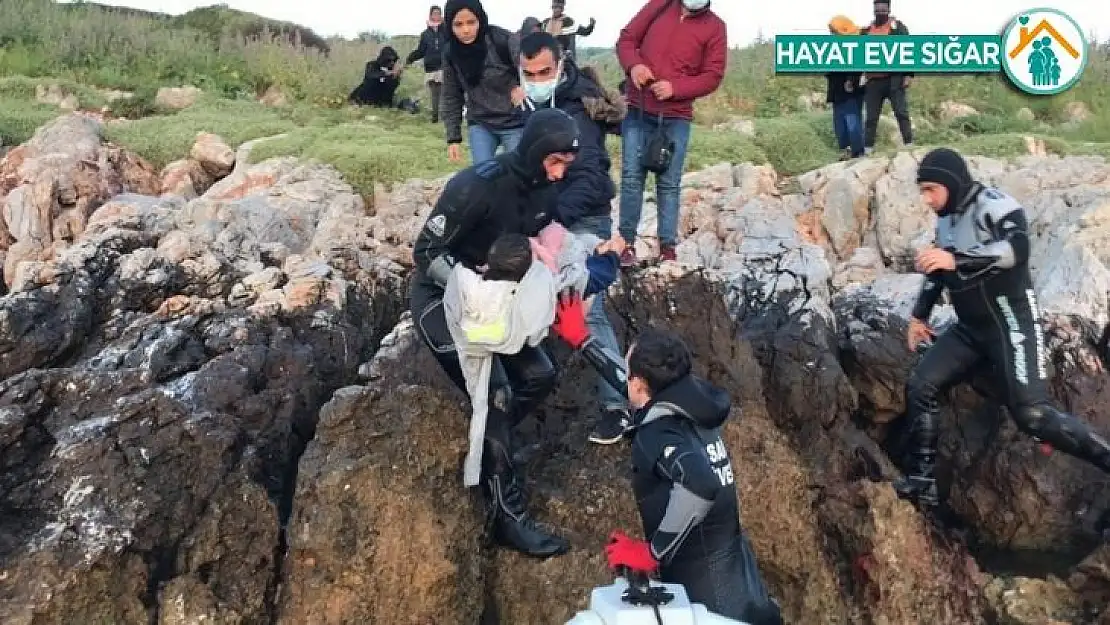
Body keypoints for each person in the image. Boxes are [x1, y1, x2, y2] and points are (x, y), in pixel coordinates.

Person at [410, 108, 582, 558]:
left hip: (498, 299)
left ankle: (490, 450)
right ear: (536, 153)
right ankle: (507, 516)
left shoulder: (545, 187)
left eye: (566, 163)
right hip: (443, 297)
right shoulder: (477, 185)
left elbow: (543, 232)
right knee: (498, 395)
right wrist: (474, 287)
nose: (561, 173)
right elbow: (424, 251)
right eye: (555, 162)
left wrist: (564, 262)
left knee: (541, 377)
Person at [897, 147, 1110, 507]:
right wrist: (919, 316)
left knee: (1033, 415)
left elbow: (1018, 250)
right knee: (921, 386)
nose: (927, 199)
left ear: (950, 183)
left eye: (931, 189)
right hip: (969, 329)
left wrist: (956, 258)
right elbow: (937, 271)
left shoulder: (994, 205)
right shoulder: (945, 220)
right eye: (923, 191)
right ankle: (922, 482)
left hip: (1011, 323)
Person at [546, 308, 784, 624]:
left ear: (641, 384)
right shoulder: (694, 401)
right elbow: (634, 389)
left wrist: (652, 552)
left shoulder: (657, 433)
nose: (627, 377)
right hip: (740, 582)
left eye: (630, 370)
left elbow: (700, 484)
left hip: (710, 598)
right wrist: (584, 340)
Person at [518, 31, 632, 444]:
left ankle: (620, 404)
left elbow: (593, 180)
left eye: (544, 71)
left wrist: (553, 222)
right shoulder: (530, 107)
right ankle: (523, 396)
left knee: (584, 305)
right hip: (546, 222)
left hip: (583, 220)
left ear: (560, 65)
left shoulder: (577, 109)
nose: (537, 78)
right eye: (529, 73)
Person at [615, 0, 727, 267]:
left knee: (668, 183)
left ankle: (667, 248)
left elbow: (713, 75)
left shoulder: (715, 27)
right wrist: (634, 66)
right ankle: (625, 244)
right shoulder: (659, 5)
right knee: (631, 177)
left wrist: (676, 88)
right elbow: (627, 39)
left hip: (676, 116)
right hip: (639, 109)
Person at [441, 0, 527, 163]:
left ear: (480, 19)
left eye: (471, 22)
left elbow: (532, 69)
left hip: (515, 122)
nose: (466, 30)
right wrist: (453, 138)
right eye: (458, 25)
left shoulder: (502, 40)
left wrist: (524, 87)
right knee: (482, 174)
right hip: (481, 123)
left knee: (518, 173)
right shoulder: (450, 53)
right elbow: (451, 95)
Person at [859, 0, 913, 154]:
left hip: (894, 79)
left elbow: (908, 51)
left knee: (901, 113)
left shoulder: (898, 28)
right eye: (878, 8)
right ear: (873, 9)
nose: (880, 11)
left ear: (889, 10)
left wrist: (908, 74)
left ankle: (909, 145)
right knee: (870, 118)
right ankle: (868, 150)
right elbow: (858, 55)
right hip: (873, 81)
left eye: (884, 8)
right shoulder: (866, 31)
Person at [826, 16, 864, 160]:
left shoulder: (856, 43)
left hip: (851, 91)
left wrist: (850, 80)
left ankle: (857, 152)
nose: (832, 34)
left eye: (834, 31)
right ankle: (846, 151)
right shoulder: (833, 46)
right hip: (837, 91)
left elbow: (858, 66)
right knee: (839, 124)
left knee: (852, 121)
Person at [405, 5, 448, 124]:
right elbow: (421, 51)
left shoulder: (447, 31)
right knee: (434, 94)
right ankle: (435, 118)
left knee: (444, 93)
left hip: (444, 66)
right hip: (431, 67)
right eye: (434, 13)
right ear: (430, 15)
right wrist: (410, 59)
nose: (436, 16)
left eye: (438, 13)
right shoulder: (425, 34)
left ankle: (445, 117)